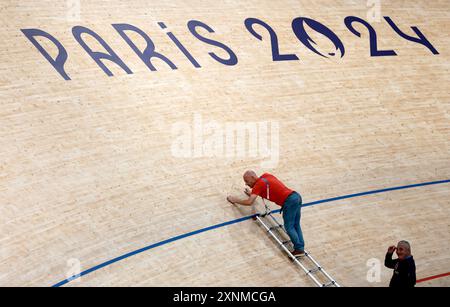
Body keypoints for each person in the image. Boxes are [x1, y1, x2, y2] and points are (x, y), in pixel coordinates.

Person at [227, 171, 305, 257]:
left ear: (253, 177)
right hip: (296, 196)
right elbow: (270, 188)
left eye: (247, 181)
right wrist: (253, 193)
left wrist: (235, 200)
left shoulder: (258, 186)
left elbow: (249, 202)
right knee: (296, 224)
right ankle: (300, 247)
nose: (246, 184)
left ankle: (298, 249)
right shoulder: (266, 176)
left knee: (289, 226)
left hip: (289, 202)